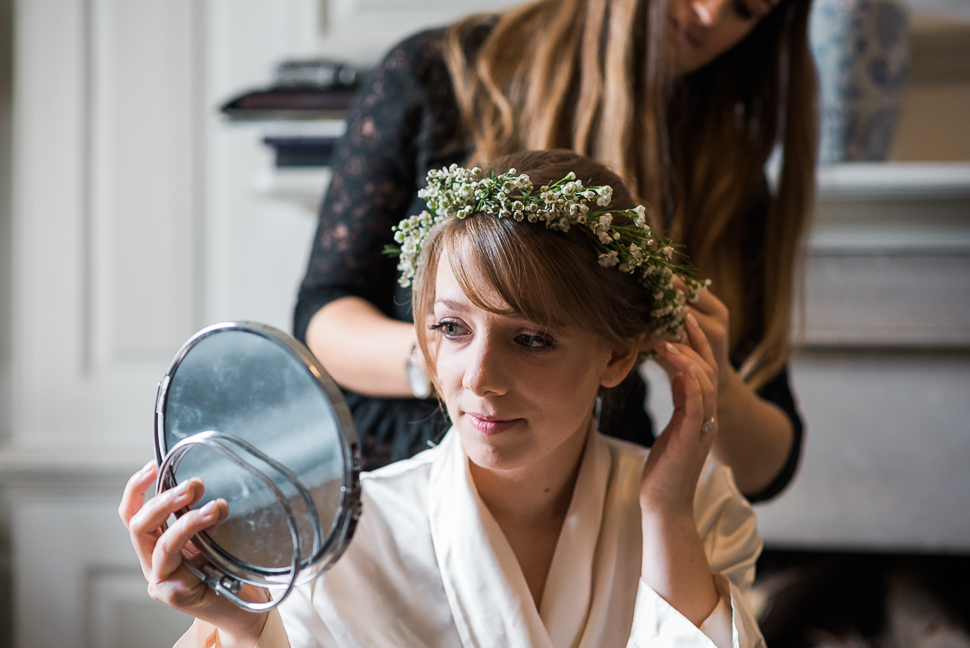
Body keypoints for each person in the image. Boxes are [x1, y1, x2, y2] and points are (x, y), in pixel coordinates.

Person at [121, 151, 766, 647]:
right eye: (451, 328)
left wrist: (664, 516)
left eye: (532, 339)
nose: (479, 376)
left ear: (617, 356)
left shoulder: (700, 512)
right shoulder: (348, 535)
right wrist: (236, 624)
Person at [294, 0, 817, 502]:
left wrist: (713, 388)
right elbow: (324, 316)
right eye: (453, 326)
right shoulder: (440, 75)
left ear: (617, 356)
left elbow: (766, 470)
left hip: (594, 504)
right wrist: (451, 367)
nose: (710, 13)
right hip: (394, 476)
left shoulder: (724, 171)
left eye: (746, 9)